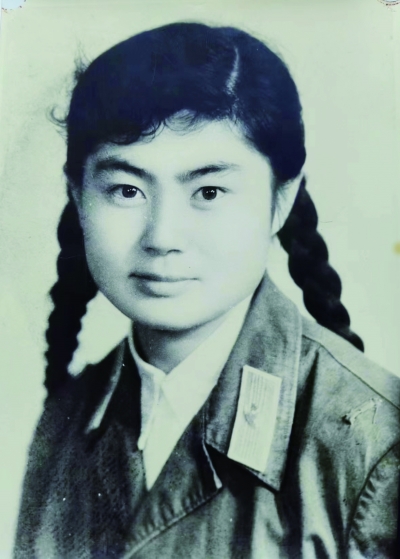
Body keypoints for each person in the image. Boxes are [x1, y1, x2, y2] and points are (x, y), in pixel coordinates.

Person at [14, 22, 399, 559]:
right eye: (126, 189)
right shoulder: (63, 420)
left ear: (281, 200)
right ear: (78, 198)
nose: (162, 237)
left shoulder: (377, 451)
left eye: (209, 192)